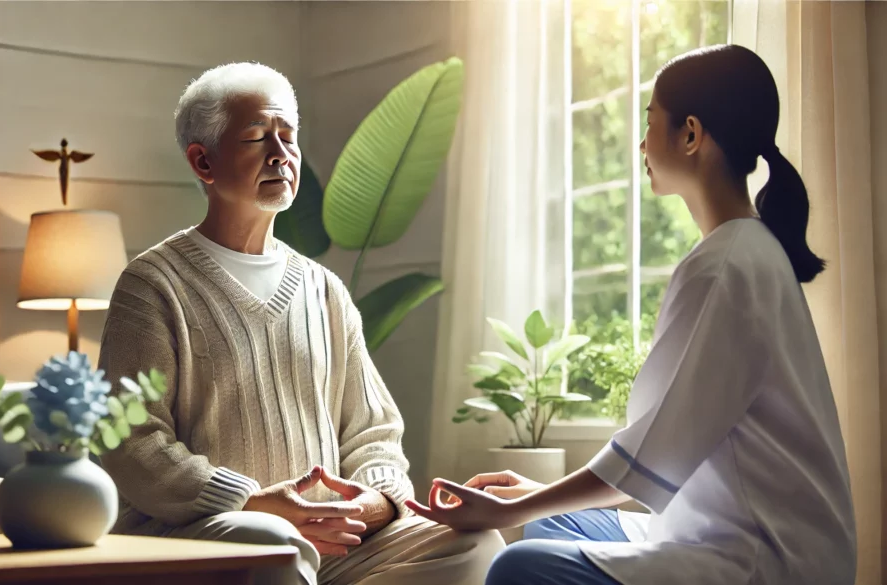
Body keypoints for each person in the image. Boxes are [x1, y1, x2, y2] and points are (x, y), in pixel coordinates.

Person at [405, 44, 857, 585]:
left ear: (690, 135)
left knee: (515, 566)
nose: (641, 144)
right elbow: (663, 450)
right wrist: (534, 500)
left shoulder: (727, 267)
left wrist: (509, 510)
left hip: (764, 559)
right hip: (718, 532)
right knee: (548, 528)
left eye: (650, 124)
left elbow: (655, 454)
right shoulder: (744, 251)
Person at [95, 62, 505, 585]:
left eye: (288, 137)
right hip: (206, 531)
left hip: (334, 537)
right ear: (203, 161)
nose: (280, 154)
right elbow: (133, 440)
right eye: (256, 137)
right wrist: (251, 501)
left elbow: (372, 429)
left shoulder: (325, 289)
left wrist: (378, 499)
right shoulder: (152, 284)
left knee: (475, 540)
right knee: (277, 545)